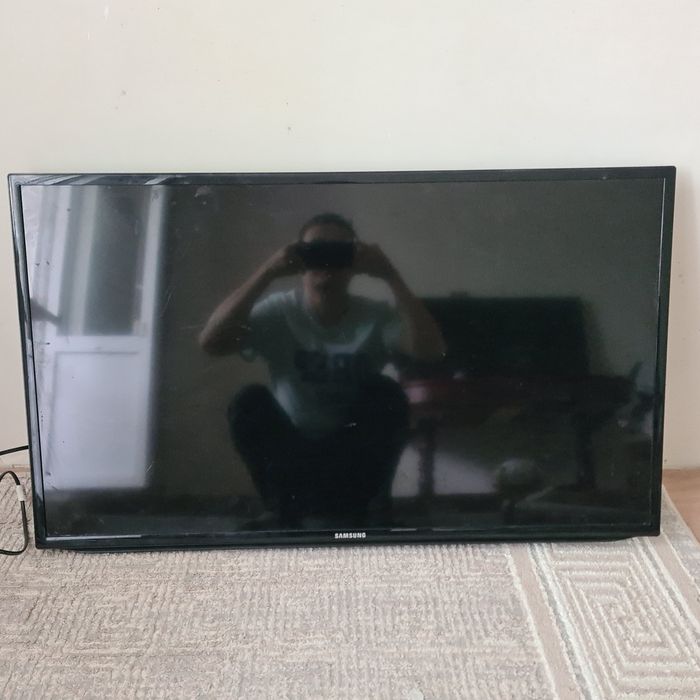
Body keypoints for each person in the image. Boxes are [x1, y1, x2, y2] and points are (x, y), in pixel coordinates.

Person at [199, 213, 446, 526]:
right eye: (316, 249)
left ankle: (369, 508)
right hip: (293, 460)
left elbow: (432, 352)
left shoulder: (375, 315)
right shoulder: (280, 310)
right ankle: (281, 511)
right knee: (249, 401)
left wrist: (390, 275)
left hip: (352, 461)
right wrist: (267, 272)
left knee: (387, 393)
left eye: (338, 250)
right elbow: (211, 343)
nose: (327, 259)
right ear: (299, 256)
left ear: (353, 261)